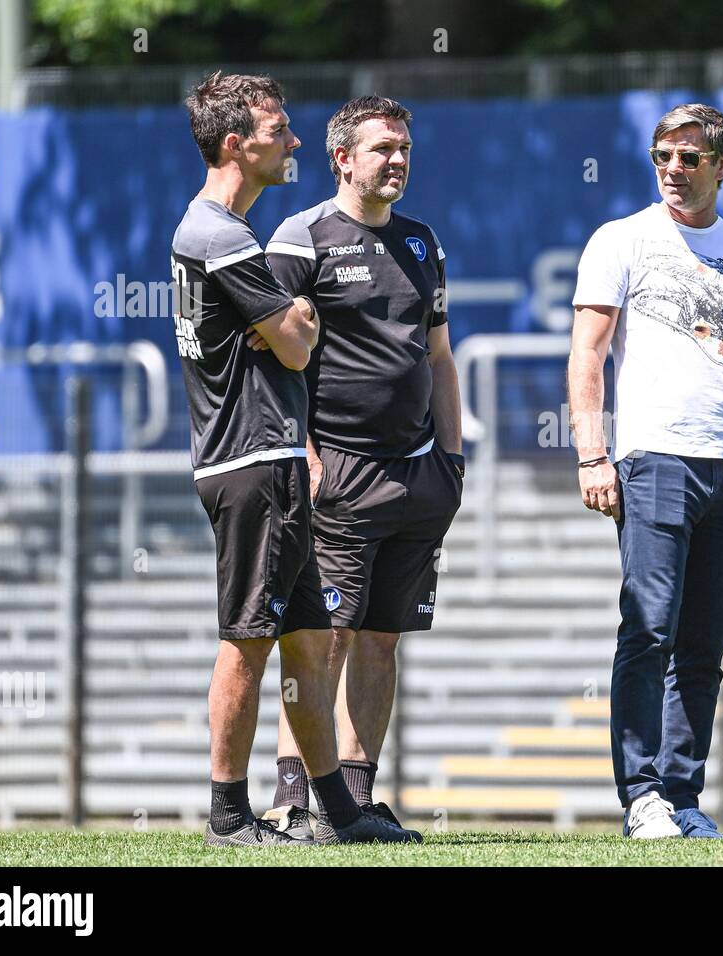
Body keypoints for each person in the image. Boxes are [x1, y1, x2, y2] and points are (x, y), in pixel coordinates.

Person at [172, 72, 405, 846]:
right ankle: (229, 815)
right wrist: (296, 318)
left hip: (269, 462)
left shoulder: (218, 231)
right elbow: (301, 347)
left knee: (307, 641)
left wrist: (289, 321)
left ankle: (338, 812)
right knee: (248, 641)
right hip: (253, 460)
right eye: (279, 130)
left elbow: (288, 335)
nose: (294, 141)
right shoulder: (222, 235)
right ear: (236, 143)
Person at [568, 103, 723, 839]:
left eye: (689, 157)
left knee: (704, 643)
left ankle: (681, 795)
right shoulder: (621, 240)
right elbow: (587, 353)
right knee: (647, 627)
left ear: (720, 165)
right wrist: (592, 452)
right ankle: (639, 795)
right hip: (652, 457)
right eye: (662, 156)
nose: (674, 169)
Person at [260, 95, 463, 843]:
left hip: (418, 477)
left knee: (382, 639)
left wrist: (453, 457)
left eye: (405, 147)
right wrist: (304, 454)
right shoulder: (301, 237)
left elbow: (439, 355)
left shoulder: (421, 240)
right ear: (342, 157)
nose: (398, 160)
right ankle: (292, 800)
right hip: (335, 472)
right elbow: (270, 361)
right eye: (383, 148)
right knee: (322, 639)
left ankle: (356, 800)